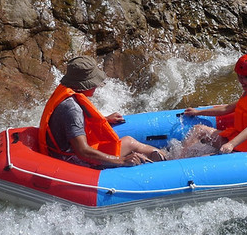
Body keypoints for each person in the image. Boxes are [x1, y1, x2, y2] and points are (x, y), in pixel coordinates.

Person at [38, 56, 166, 168]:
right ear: (84, 84)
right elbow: (83, 151)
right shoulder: (72, 109)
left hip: (62, 152)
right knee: (130, 143)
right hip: (72, 162)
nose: (97, 85)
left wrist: (103, 119)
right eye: (94, 82)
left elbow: (70, 124)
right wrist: (120, 160)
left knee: (129, 143)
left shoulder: (66, 93)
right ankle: (169, 163)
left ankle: (162, 158)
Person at [183, 53, 247, 155]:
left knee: (205, 157)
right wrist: (198, 112)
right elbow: (226, 108)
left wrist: (231, 144)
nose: (241, 81)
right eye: (239, 76)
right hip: (237, 138)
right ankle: (178, 157)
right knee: (198, 130)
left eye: (245, 78)